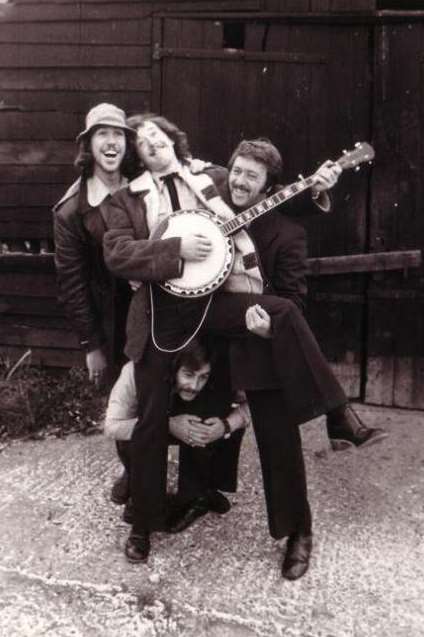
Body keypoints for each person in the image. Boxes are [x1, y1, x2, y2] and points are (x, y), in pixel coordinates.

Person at [101, 113, 376, 579]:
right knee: (158, 421)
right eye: (141, 142)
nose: (150, 144)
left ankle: (298, 530)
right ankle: (152, 519)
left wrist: (320, 186)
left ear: (175, 140)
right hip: (176, 322)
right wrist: (176, 251)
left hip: (243, 327)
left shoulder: (240, 198)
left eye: (158, 136)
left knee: (277, 429)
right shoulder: (152, 196)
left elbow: (281, 215)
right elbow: (118, 253)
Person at [220, 138, 388, 450]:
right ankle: (338, 414)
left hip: (257, 333)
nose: (240, 181)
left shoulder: (288, 235)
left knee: (283, 316)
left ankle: (338, 420)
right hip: (207, 322)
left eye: (251, 176)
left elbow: (292, 303)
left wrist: (317, 187)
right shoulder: (211, 198)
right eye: (237, 171)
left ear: (269, 188)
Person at [53, 103, 136, 504]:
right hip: (113, 317)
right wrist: (91, 344)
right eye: (102, 134)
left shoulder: (144, 182)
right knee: (126, 394)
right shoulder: (72, 209)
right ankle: (134, 470)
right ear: (88, 144)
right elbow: (72, 281)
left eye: (118, 134)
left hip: (159, 304)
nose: (111, 141)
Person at [103, 337, 249, 540]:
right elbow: (112, 427)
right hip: (154, 430)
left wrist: (225, 425)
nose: (194, 385)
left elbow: (254, 405)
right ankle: (134, 478)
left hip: (192, 426)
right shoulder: (134, 372)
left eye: (203, 377)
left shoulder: (222, 377)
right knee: (134, 435)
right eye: (188, 375)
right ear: (173, 367)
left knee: (224, 419)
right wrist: (167, 424)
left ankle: (198, 492)